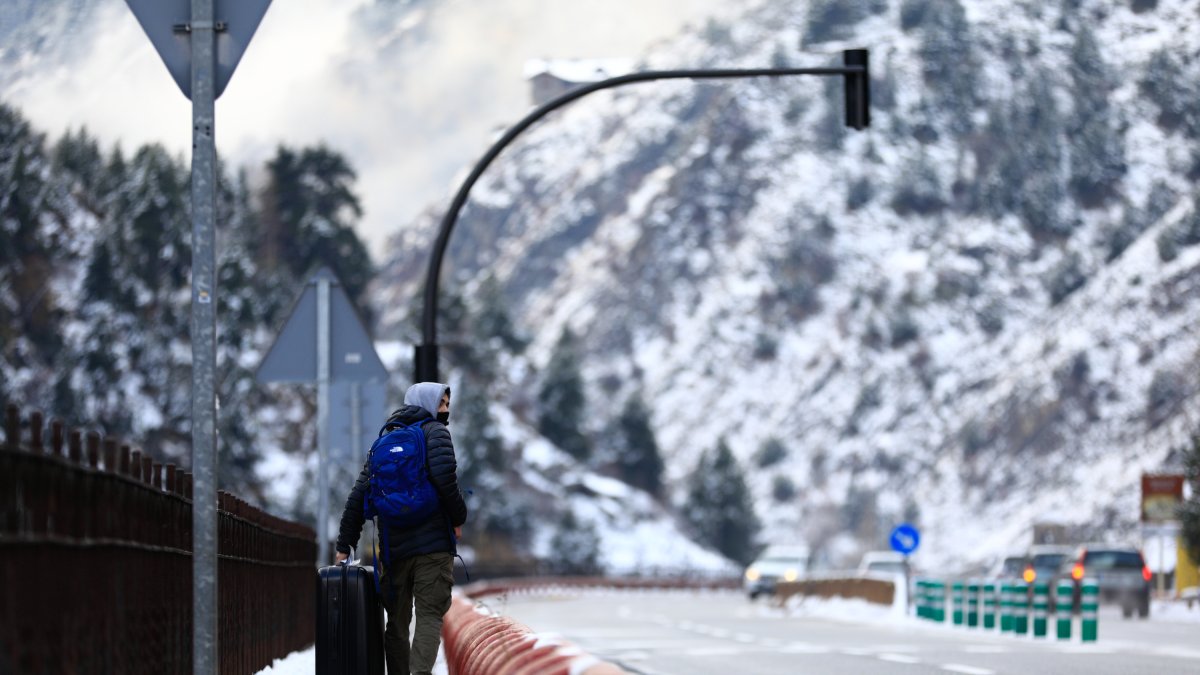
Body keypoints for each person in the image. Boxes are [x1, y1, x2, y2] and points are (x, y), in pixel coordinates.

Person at [335, 382, 468, 675]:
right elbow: (446, 481)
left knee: (396, 620)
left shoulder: (384, 441)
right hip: (433, 546)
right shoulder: (436, 432)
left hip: (394, 549)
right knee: (430, 615)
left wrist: (344, 544)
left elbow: (358, 496)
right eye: (442, 403)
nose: (446, 410)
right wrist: (459, 517)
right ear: (428, 404)